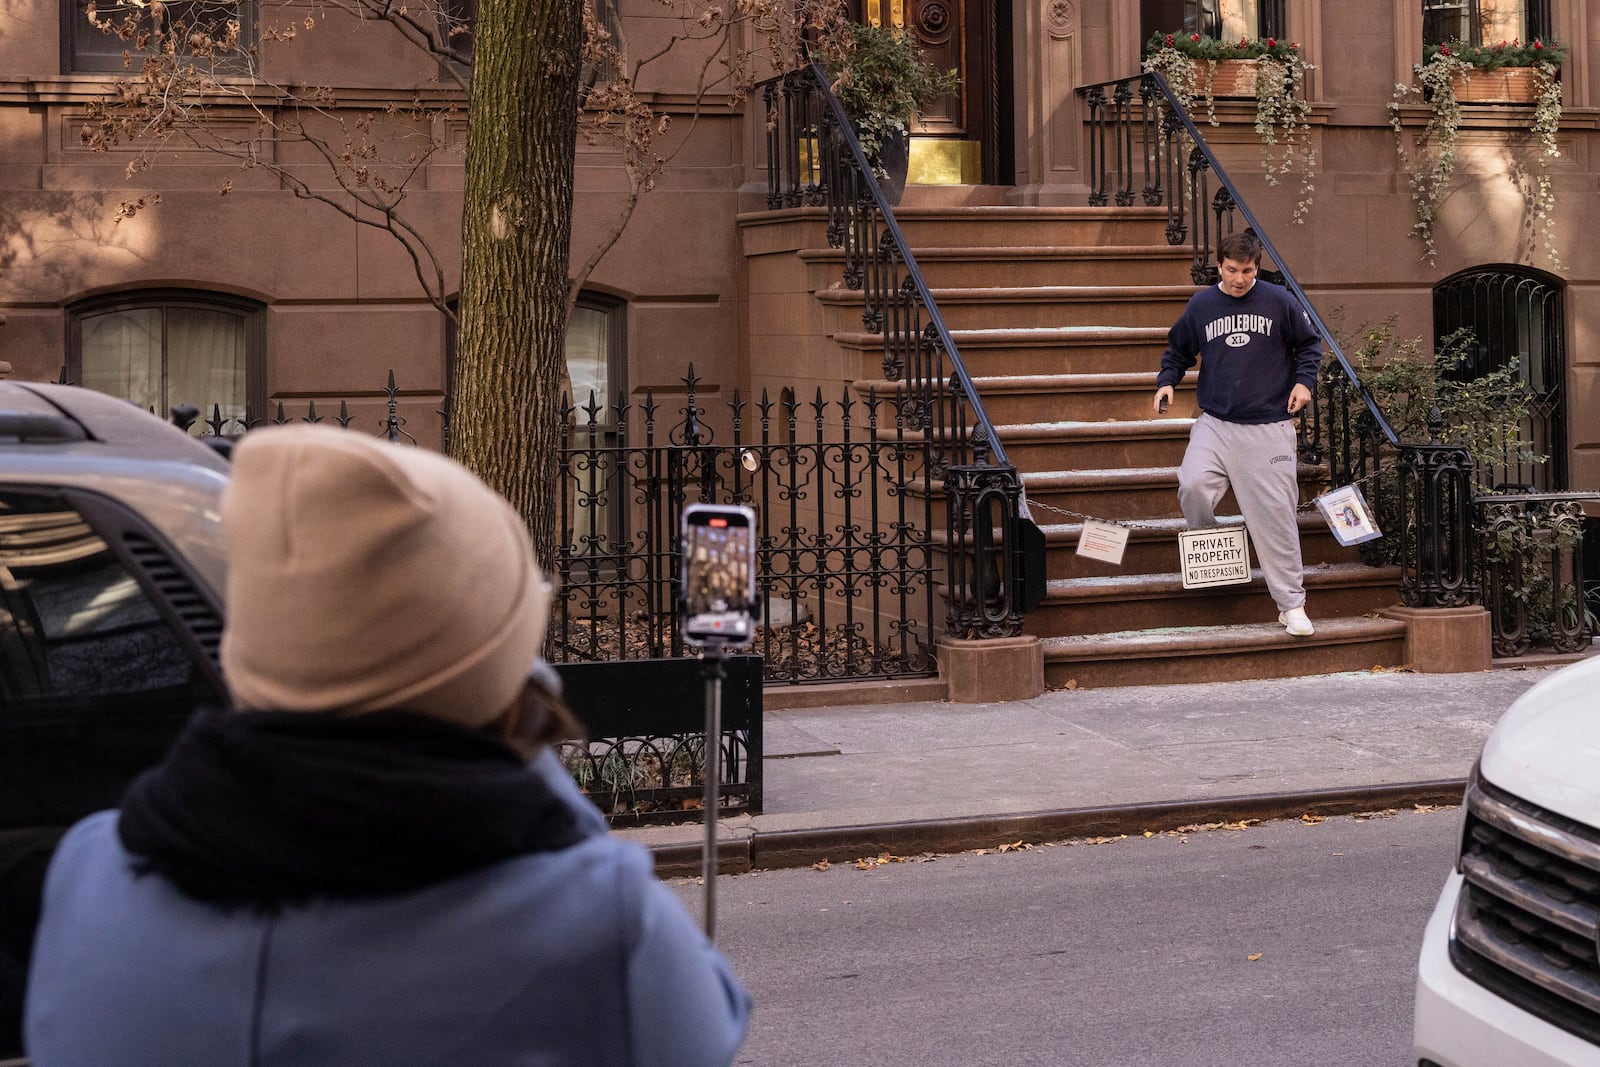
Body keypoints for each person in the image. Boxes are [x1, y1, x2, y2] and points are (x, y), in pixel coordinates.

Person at [23, 425, 751, 1066]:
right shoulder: (597, 926)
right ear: (495, 683)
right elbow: (709, 1024)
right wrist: (526, 734)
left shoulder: (91, 872)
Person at [1152, 230, 1322, 637]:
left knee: (1275, 520)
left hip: (1268, 426)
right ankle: (1218, 556)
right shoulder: (1202, 304)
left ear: (1256, 268)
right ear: (1219, 266)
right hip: (1215, 424)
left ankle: (1291, 606)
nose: (1240, 279)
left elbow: (1310, 346)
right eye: (1232, 270)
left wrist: (1304, 383)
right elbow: (1177, 349)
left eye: (1247, 271)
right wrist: (1167, 381)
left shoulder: (1279, 301)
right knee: (1192, 486)